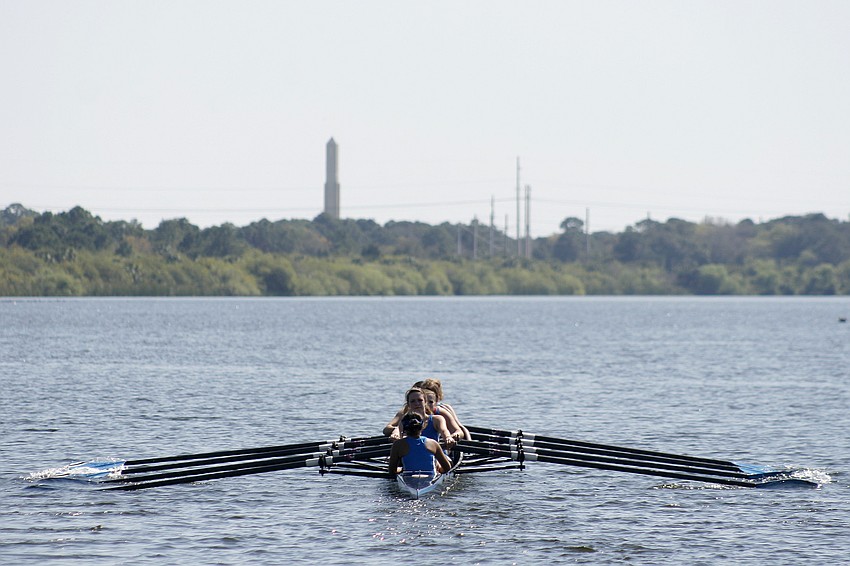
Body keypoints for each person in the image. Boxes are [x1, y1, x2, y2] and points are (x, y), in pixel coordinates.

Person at [382, 387, 456, 447]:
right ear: (408, 404)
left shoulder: (437, 419)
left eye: (420, 400)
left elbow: (444, 431)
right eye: (413, 401)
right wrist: (395, 435)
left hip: (436, 454)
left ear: (425, 402)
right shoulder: (405, 421)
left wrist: (448, 437)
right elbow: (397, 429)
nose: (417, 403)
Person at [388, 412, 452, 476]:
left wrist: (401, 469)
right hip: (431, 477)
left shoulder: (398, 444)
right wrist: (439, 470)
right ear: (423, 426)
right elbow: (447, 468)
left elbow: (392, 471)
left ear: (404, 428)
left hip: (408, 477)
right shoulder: (433, 443)